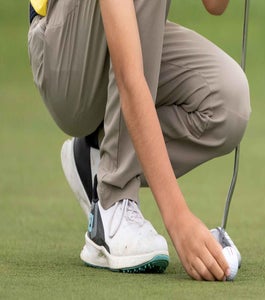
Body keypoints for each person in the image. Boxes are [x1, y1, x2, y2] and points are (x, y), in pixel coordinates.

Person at [28, 0, 251, 281]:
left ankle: (94, 158)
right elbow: (129, 77)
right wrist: (178, 219)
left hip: (110, 34)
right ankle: (113, 201)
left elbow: (215, 5)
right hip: (61, 54)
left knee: (228, 103)